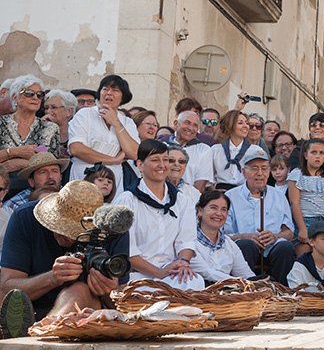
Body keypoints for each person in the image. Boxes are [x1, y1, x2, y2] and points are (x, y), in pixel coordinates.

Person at [0, 181, 126, 335]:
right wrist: (52, 278)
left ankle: (43, 332)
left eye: (77, 234)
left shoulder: (113, 230)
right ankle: (44, 331)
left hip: (90, 310)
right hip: (31, 307)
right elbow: (7, 289)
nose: (69, 238)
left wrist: (108, 290)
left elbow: (122, 307)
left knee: (80, 289)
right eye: (62, 228)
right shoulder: (26, 217)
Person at [113, 140, 203, 290]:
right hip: (137, 275)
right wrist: (158, 272)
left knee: (196, 281)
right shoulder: (126, 201)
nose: (162, 165)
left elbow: (187, 241)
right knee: (141, 291)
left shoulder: (182, 200)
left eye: (165, 159)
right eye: (155, 160)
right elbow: (128, 251)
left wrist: (182, 263)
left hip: (171, 273)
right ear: (140, 165)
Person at [224, 149, 296, 286]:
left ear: (269, 172)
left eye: (264, 168)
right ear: (244, 172)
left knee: (285, 247)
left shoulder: (279, 196)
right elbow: (224, 235)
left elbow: (289, 233)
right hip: (244, 252)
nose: (260, 173)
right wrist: (247, 236)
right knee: (246, 245)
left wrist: (275, 237)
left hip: (272, 250)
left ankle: (281, 293)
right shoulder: (230, 196)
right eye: (254, 169)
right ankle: (244, 293)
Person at [67, 75, 140, 195]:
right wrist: (113, 160)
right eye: (105, 89)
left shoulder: (127, 122)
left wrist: (116, 123)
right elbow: (76, 149)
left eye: (115, 90)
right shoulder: (85, 115)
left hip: (113, 180)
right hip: (84, 176)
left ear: (123, 97)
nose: (109, 93)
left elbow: (135, 153)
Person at [190, 190, 256, 284]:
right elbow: (207, 273)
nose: (219, 213)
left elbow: (245, 273)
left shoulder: (229, 244)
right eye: (213, 208)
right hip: (202, 292)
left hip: (228, 291)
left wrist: (259, 283)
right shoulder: (189, 241)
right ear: (200, 211)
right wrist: (239, 282)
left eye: (224, 209)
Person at [0, 75, 61, 168]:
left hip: (36, 182)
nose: (35, 97)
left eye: (39, 94)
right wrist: (15, 152)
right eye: (29, 93)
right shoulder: (1, 123)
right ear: (15, 97)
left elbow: (54, 164)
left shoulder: (50, 128)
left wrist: (24, 164)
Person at [289, 138, 324, 255]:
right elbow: (294, 203)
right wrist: (302, 228)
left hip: (323, 221)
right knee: (304, 259)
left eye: (321, 153)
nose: (317, 156)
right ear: (306, 155)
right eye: (313, 152)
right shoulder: (297, 174)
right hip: (304, 221)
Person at [211, 110, 265, 191]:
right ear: (229, 126)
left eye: (247, 123)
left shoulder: (255, 151)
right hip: (220, 192)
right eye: (240, 123)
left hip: (244, 192)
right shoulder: (216, 150)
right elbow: (208, 176)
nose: (245, 126)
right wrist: (214, 191)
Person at [2, 152, 67, 214]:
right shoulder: (14, 206)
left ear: (61, 177)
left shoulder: (72, 197)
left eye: (55, 171)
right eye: (43, 172)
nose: (50, 176)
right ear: (31, 181)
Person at [168, 110, 213, 192]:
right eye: (187, 123)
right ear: (176, 123)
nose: (190, 128)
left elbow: (201, 182)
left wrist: (190, 201)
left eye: (195, 125)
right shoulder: (163, 147)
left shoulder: (203, 150)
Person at [41, 89, 77, 158]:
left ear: (69, 111)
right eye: (46, 108)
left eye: (53, 107)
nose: (48, 112)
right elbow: (37, 154)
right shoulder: (41, 130)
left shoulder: (77, 131)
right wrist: (41, 128)